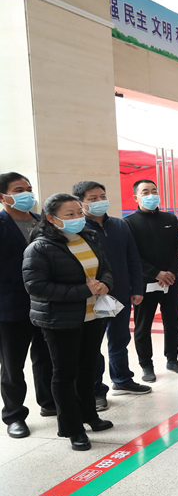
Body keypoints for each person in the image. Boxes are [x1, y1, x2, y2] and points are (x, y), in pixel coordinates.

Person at [22, 193, 115, 451]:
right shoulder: (39, 248)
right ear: (51, 218)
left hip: (92, 315)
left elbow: (105, 268)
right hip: (60, 320)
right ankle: (73, 428)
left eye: (79, 212)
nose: (77, 218)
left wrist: (105, 284)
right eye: (70, 214)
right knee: (64, 374)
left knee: (88, 369)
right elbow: (36, 286)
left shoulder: (89, 238)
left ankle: (90, 415)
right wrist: (85, 290)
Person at [73, 180, 151, 411]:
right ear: (81, 203)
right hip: (93, 297)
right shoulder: (78, 228)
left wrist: (137, 289)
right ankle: (96, 390)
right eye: (93, 198)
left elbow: (133, 258)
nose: (100, 201)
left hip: (121, 294)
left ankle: (122, 379)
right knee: (93, 346)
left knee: (120, 339)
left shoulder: (119, 225)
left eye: (102, 196)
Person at [0, 173, 53, 439]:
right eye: (19, 190)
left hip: (46, 303)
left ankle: (49, 402)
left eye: (29, 189)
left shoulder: (42, 221)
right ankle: (14, 416)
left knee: (46, 357)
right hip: (11, 307)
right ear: (3, 196)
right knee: (13, 365)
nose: (27, 194)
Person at [125, 180, 178, 382]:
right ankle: (146, 365)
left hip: (171, 281)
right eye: (145, 192)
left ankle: (172, 359)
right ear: (136, 197)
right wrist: (156, 273)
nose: (151, 195)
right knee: (143, 326)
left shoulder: (170, 218)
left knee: (172, 322)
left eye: (154, 191)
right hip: (144, 283)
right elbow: (131, 254)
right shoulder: (129, 223)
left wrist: (171, 272)